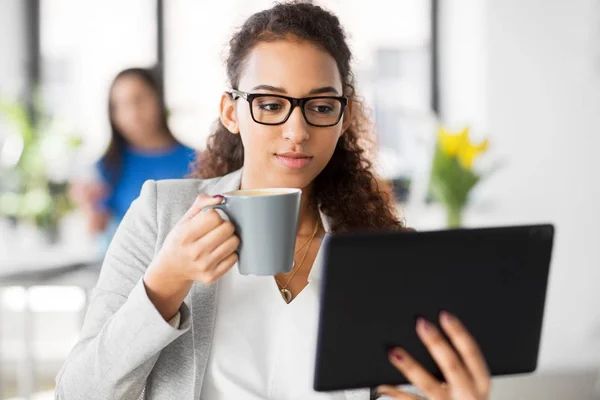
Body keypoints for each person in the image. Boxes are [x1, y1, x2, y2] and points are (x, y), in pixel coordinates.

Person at [56, 3, 491, 400]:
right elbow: (77, 394)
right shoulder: (162, 214)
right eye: (269, 103)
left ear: (344, 118)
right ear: (231, 112)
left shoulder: (377, 247)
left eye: (320, 107)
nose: (297, 131)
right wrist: (164, 285)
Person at [69, 67, 196, 249]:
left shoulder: (197, 161)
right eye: (119, 106)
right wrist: (88, 206)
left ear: (158, 99)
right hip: (124, 272)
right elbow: (97, 233)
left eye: (139, 100)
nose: (132, 114)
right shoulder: (106, 167)